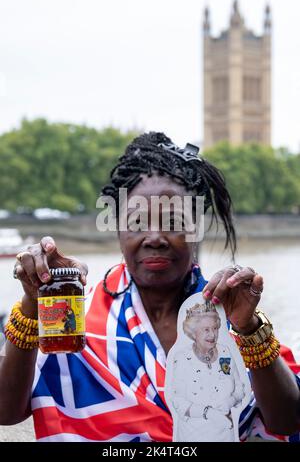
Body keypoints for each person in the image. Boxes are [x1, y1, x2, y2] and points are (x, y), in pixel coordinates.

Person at [0, 132, 299, 442]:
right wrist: (32, 303)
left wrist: (249, 329)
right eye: (138, 222)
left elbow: (288, 420)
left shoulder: (233, 312)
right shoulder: (76, 319)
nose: (155, 236)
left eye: (173, 221)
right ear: (118, 228)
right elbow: (6, 411)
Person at [170, 302, 246, 442]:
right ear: (193, 332)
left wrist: (230, 401)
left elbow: (240, 388)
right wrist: (207, 413)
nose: (212, 334)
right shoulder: (181, 358)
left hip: (225, 434)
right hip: (192, 437)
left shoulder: (225, 352)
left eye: (215, 328)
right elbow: (177, 400)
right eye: (206, 329)